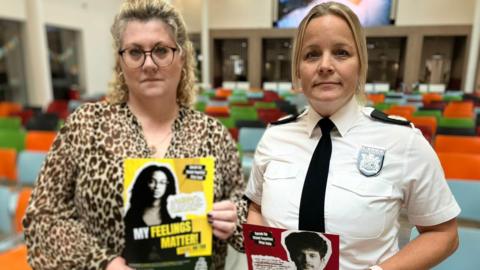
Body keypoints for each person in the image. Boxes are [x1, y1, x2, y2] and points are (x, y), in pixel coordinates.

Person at [23, 0, 247, 269]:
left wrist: (235, 218)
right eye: (135, 52)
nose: (149, 64)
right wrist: (102, 263)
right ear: (121, 61)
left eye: (161, 50)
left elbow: (244, 212)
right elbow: (42, 217)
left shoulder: (214, 134)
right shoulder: (86, 126)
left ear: (182, 56)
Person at [245, 2, 460, 270]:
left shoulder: (403, 141)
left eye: (341, 52)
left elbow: (444, 234)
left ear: (360, 65)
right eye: (311, 55)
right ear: (298, 69)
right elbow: (255, 207)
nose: (325, 65)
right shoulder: (275, 137)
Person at [123, 164, 180, 263]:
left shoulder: (176, 216)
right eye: (152, 181)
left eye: (162, 182)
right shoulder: (132, 215)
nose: (157, 187)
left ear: (168, 185)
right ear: (144, 183)